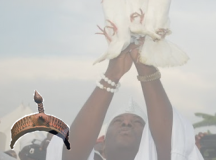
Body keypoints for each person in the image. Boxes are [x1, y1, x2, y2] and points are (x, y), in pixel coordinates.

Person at [46, 38, 204, 160]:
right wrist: (112, 74)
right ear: (103, 145)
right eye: (117, 121)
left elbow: (173, 146)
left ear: (149, 143)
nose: (126, 123)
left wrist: (145, 67)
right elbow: (71, 154)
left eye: (137, 122)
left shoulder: (161, 150)